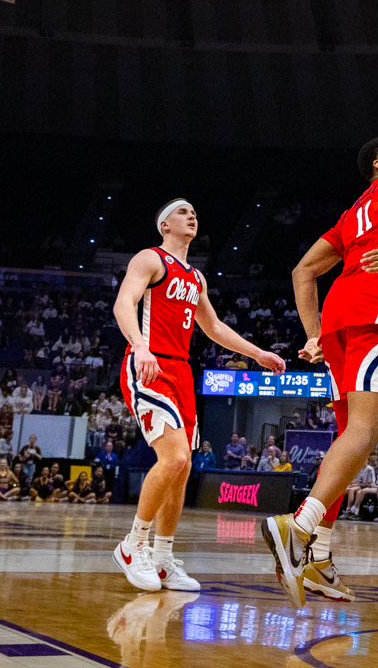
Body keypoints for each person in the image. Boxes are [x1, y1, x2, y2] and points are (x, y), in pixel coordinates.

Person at [264, 136, 378, 607]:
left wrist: (314, 334)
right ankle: (297, 527)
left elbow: (303, 271)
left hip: (338, 318)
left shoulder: (351, 212)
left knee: (347, 440)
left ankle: (318, 556)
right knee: (366, 431)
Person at [111, 199, 285, 593]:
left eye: (194, 212)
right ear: (164, 225)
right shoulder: (150, 259)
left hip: (182, 371)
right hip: (149, 362)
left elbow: (214, 327)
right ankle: (132, 544)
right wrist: (139, 346)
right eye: (182, 212)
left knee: (183, 467)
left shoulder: (196, 278)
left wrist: (257, 353)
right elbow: (125, 302)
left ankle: (161, 558)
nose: (192, 216)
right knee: (173, 458)